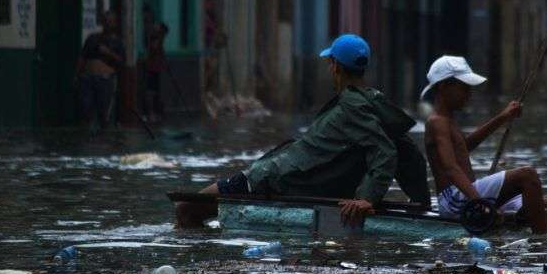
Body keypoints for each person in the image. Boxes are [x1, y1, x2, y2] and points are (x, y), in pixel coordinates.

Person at [176, 34, 430, 228]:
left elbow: (385, 150)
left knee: (186, 209)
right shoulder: (371, 100)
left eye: (330, 62)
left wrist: (367, 198)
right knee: (193, 207)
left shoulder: (353, 106)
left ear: (335, 66)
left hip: (274, 178)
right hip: (282, 172)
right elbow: (405, 151)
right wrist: (421, 200)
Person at [422, 56, 547, 234]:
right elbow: (450, 168)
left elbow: (464, 147)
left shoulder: (448, 119)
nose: (469, 94)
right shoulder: (437, 122)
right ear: (443, 87)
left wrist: (503, 117)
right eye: (463, 88)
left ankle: (541, 247)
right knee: (528, 175)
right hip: (453, 201)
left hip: (466, 195)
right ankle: (542, 249)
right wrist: (480, 203)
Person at [75, 10, 125, 129]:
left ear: (115, 24)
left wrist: (108, 53)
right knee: (85, 109)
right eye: (106, 21)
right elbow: (82, 57)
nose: (108, 24)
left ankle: (104, 139)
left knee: (104, 112)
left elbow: (121, 61)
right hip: (88, 78)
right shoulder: (92, 38)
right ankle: (87, 137)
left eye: (111, 22)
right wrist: (77, 74)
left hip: (105, 79)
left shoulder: (117, 42)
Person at [144, 22, 168, 122]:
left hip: (156, 69)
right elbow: (154, 49)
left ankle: (155, 113)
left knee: (155, 92)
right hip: (151, 69)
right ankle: (150, 113)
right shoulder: (155, 38)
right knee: (150, 92)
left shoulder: (158, 39)